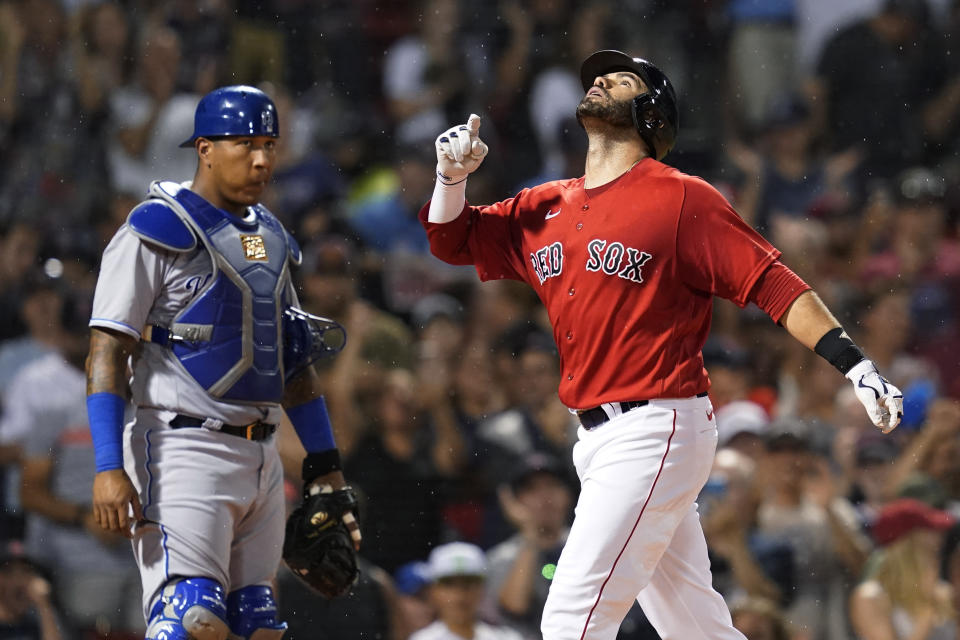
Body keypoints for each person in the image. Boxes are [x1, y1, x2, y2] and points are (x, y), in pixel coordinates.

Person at [419, 49, 904, 639]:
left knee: (572, 617)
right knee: (695, 625)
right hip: (599, 439)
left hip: (655, 425)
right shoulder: (543, 205)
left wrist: (854, 364)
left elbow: (771, 281)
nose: (598, 79)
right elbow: (452, 240)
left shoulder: (680, 196)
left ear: (651, 114)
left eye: (620, 79)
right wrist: (450, 179)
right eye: (598, 75)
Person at [85, 85, 358, 640]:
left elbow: (293, 359)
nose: (261, 159)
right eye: (244, 144)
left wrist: (324, 461)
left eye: (269, 144)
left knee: (256, 626)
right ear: (204, 148)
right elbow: (108, 351)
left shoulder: (273, 237)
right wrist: (109, 466)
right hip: (182, 449)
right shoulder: (156, 227)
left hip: (263, 459)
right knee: (189, 620)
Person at [849, 498, 957, 640]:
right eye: (927, 548)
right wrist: (928, 611)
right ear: (906, 550)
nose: (938, 539)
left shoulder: (942, 591)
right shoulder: (870, 597)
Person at [410, 541, 523, 640]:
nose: (459, 595)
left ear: (482, 589)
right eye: (449, 585)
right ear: (433, 591)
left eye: (468, 585)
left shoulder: (507, 638)